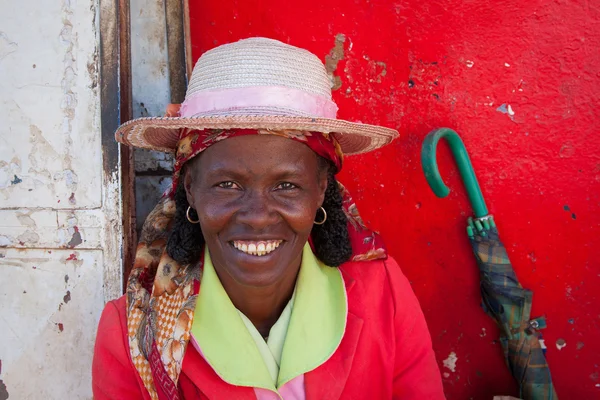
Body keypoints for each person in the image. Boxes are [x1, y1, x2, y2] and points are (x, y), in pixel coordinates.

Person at [93, 37, 445, 399]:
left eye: (287, 185)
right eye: (228, 184)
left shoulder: (383, 294)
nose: (258, 217)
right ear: (191, 190)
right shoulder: (132, 334)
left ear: (321, 189)